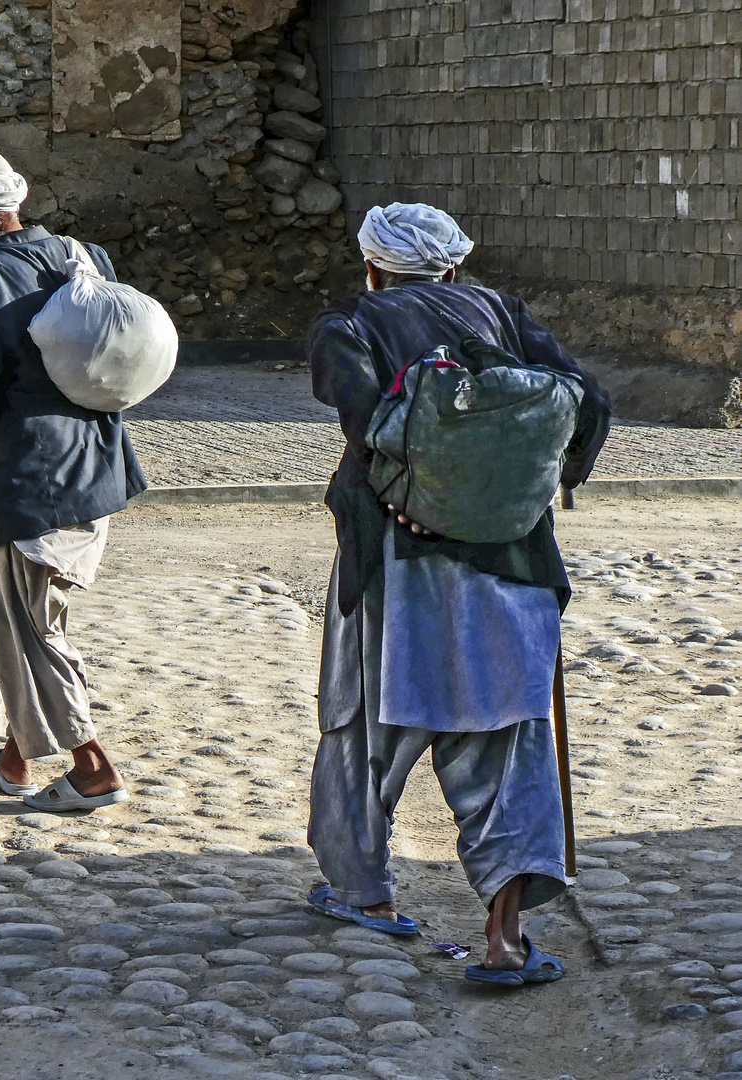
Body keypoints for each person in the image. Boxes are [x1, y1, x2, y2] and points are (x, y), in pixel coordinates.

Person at [305, 202, 611, 984]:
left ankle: (365, 895)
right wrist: (532, 485)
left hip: (393, 565)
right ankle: (505, 940)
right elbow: (590, 403)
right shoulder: (504, 314)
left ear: (373, 265)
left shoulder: (351, 321)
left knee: (364, 728)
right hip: (513, 566)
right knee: (509, 741)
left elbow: (364, 416)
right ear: (450, 267)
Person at [0, 140, 145, 812]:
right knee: (20, 619)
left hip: (26, 485)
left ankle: (92, 769)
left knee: (33, 629)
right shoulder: (83, 257)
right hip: (95, 470)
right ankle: (12, 760)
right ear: (16, 205)